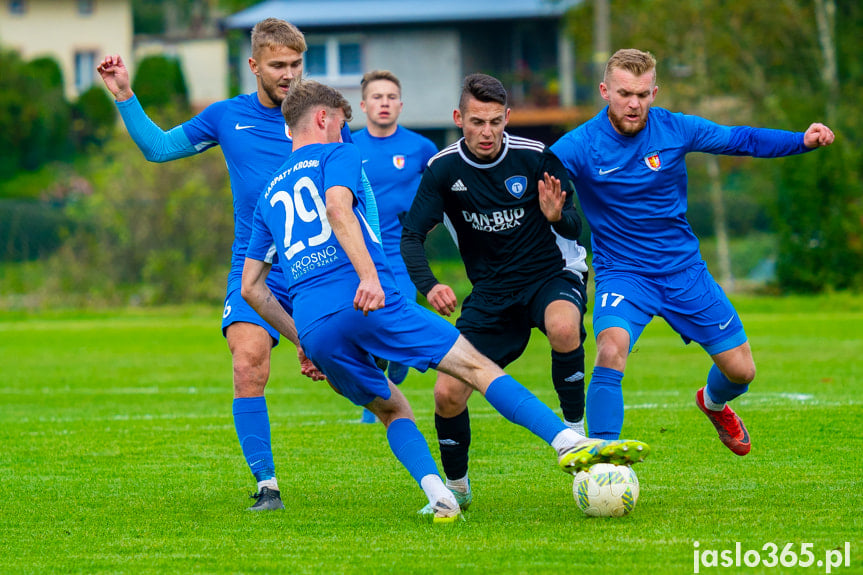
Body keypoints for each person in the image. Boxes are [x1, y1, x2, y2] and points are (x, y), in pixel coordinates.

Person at [241, 78, 649, 521]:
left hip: (315, 324)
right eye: (341, 123)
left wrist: (301, 338)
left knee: (391, 407)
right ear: (323, 119)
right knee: (475, 366)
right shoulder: (339, 153)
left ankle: (439, 494)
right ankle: (569, 440)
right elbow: (338, 207)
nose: (345, 132)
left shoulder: (267, 192)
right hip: (367, 300)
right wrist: (368, 277)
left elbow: (252, 288)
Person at [96, 18, 358, 511]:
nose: (289, 75)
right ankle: (267, 486)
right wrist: (125, 95)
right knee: (248, 363)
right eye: (278, 65)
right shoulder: (225, 118)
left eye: (297, 65)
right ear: (254, 64)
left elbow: (352, 198)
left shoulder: (324, 121)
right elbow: (159, 149)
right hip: (255, 268)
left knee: (358, 376)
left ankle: (430, 473)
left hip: (320, 268)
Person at [550, 48, 835, 455]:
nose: (634, 103)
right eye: (625, 93)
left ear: (655, 92)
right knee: (610, 348)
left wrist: (801, 141)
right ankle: (604, 460)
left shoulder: (675, 129)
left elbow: (742, 139)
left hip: (685, 271)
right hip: (624, 274)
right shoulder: (579, 145)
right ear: (604, 91)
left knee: (741, 372)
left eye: (644, 94)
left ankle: (713, 402)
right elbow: (533, 175)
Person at [399, 73, 592, 513]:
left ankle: (577, 436)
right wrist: (429, 286)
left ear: (507, 118)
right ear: (458, 119)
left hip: (549, 275)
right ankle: (459, 487)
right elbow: (411, 236)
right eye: (476, 122)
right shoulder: (444, 169)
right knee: (447, 392)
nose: (486, 132)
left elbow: (575, 226)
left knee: (565, 327)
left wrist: (557, 215)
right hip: (490, 293)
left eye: (494, 122)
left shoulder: (536, 157)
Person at [352, 70, 439, 422]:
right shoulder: (348, 146)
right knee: (366, 329)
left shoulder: (421, 148)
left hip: (402, 257)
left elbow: (441, 191)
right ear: (363, 105)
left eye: (390, 97)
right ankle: (374, 409)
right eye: (377, 97)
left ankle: (397, 372)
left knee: (398, 333)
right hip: (360, 257)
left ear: (400, 105)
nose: (384, 103)